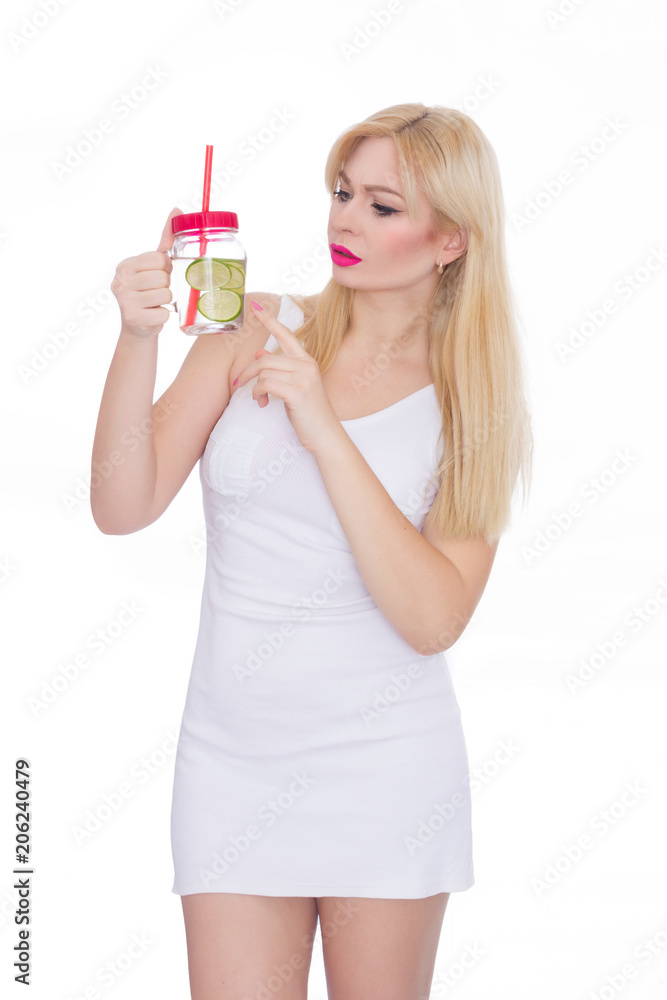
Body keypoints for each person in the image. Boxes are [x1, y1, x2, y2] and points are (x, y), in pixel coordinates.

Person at [91, 102, 532, 1000]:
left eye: (381, 204)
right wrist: (137, 340)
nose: (343, 219)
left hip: (386, 774)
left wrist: (324, 428)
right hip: (231, 762)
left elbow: (433, 618)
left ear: (449, 239)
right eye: (341, 192)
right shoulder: (253, 331)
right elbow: (120, 504)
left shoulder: (469, 400)